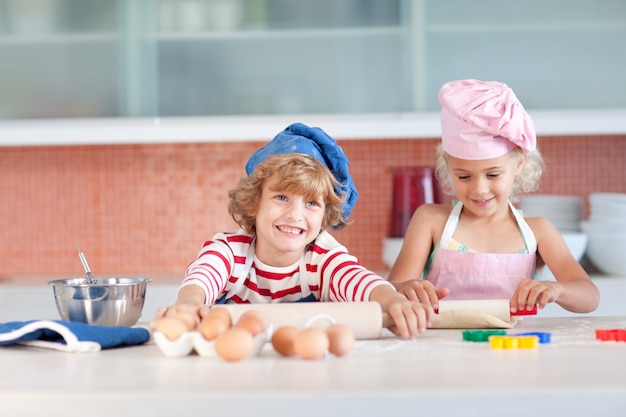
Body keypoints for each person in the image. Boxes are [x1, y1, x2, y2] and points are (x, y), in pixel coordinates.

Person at [157, 122, 434, 339]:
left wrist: (393, 302)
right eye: (281, 198)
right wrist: (190, 303)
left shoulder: (323, 260)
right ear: (255, 203)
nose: (295, 215)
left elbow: (360, 281)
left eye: (311, 203)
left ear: (325, 216)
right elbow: (203, 278)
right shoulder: (231, 252)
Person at [388, 79, 599, 315]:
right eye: (464, 177)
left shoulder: (538, 231)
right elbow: (391, 293)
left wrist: (558, 290)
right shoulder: (431, 221)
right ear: (449, 169)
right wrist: (406, 289)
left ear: (519, 164)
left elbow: (589, 296)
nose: (479, 189)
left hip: (517, 348)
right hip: (443, 350)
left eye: (493, 174)